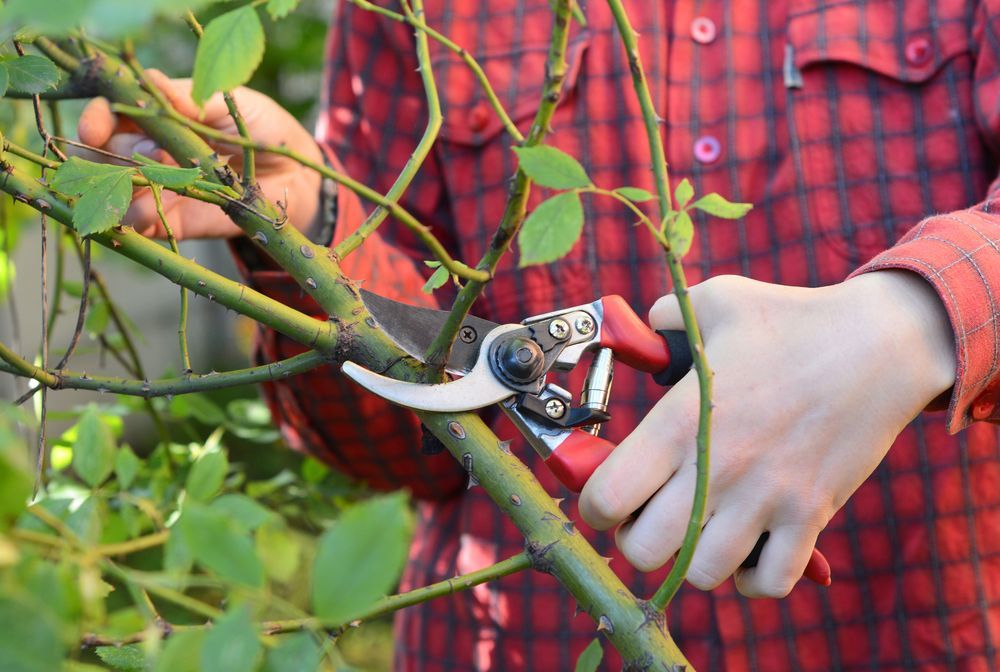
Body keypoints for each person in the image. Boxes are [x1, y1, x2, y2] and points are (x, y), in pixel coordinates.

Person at [78, 1, 1000, 669]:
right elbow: (398, 446)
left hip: (919, 627)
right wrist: (307, 225)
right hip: (510, 639)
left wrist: (910, 321)